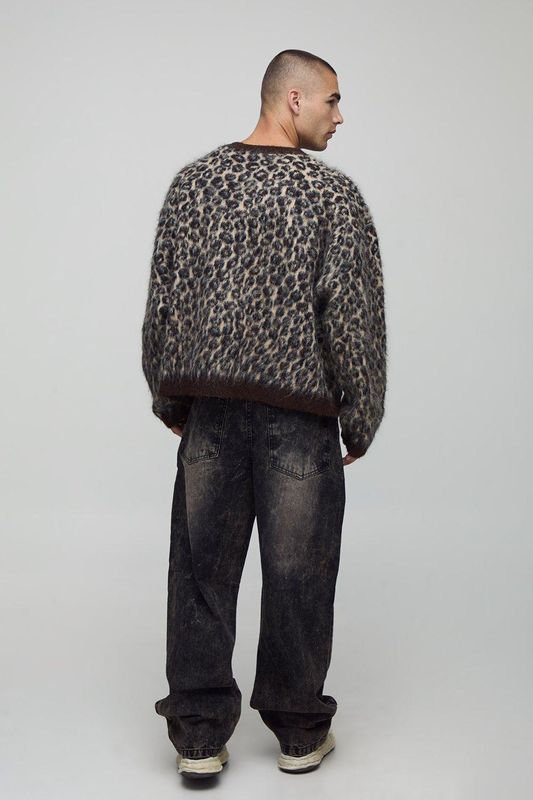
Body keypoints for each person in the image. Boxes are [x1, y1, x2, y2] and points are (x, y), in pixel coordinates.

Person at [141, 48, 387, 779]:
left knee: (200, 577)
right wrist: (360, 414)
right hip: (297, 420)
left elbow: (163, 301)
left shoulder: (194, 184)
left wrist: (170, 396)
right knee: (299, 577)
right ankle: (299, 731)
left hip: (211, 413)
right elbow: (354, 319)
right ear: (293, 100)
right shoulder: (332, 197)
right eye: (331, 101)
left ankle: (197, 738)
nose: (339, 117)